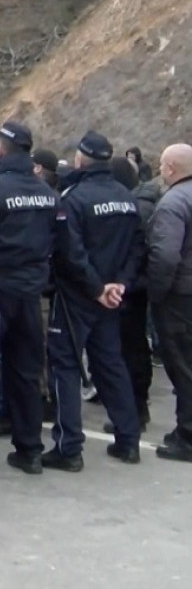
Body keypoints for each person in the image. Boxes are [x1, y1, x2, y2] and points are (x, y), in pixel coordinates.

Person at [0, 121, 60, 477]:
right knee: (26, 372)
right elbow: (59, 242)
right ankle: (30, 449)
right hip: (32, 293)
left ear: (2, 149)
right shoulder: (48, 194)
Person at [46, 130, 144, 472]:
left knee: (65, 366)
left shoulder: (74, 197)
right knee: (111, 364)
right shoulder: (125, 196)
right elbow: (137, 248)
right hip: (111, 297)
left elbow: (70, 253)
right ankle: (128, 440)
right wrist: (120, 285)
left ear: (81, 158)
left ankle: (68, 447)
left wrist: (96, 288)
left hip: (78, 297)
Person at [147, 143, 192, 462]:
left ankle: (187, 435)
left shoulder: (173, 203)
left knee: (183, 367)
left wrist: (156, 293)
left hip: (180, 297)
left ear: (171, 168)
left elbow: (164, 255)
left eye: (162, 166)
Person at [108, 156, 154, 431]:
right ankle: (139, 408)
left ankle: (133, 412)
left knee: (129, 351)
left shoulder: (132, 208)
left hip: (129, 287)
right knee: (137, 349)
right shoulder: (147, 202)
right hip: (139, 286)